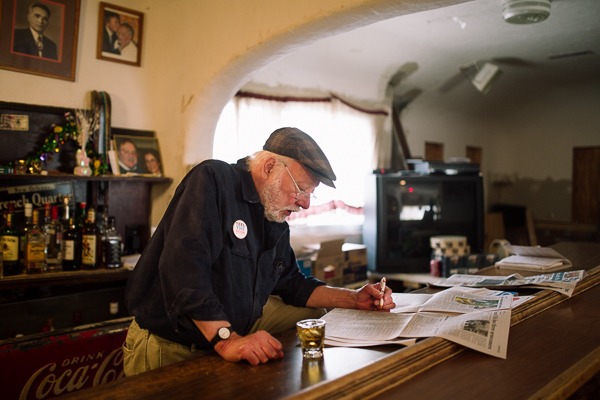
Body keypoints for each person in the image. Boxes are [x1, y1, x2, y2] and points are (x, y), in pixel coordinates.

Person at [123, 127, 395, 375]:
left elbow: (291, 284)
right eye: (301, 189)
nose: (306, 204)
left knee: (315, 318)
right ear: (269, 167)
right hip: (171, 346)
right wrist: (228, 340)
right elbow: (184, 271)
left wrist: (353, 299)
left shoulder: (273, 215)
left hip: (224, 339)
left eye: (312, 193)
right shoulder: (213, 179)